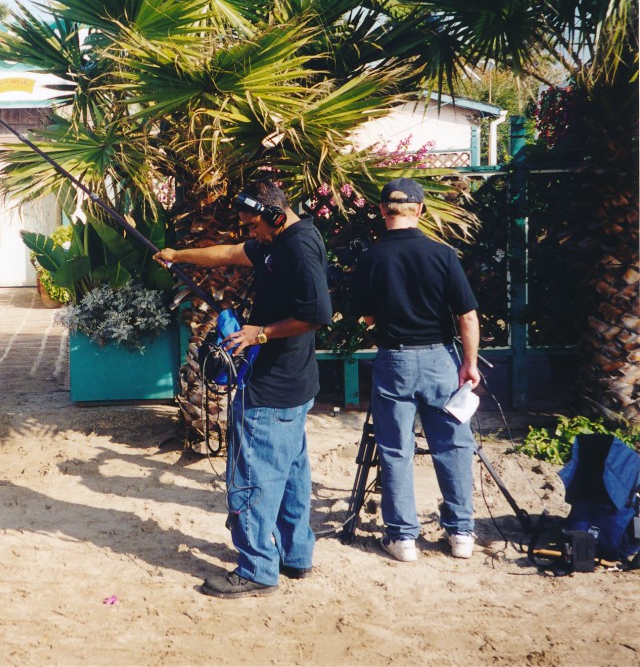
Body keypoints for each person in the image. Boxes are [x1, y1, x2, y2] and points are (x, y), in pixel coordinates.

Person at [155, 179, 331, 598]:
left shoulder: (297, 248)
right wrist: (178, 255)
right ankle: (295, 556)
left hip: (275, 385)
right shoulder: (276, 240)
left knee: (252, 475)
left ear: (274, 216)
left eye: (254, 226)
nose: (250, 234)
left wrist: (260, 334)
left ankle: (256, 570)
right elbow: (229, 253)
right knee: (290, 473)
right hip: (294, 384)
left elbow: (318, 313)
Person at [353, 178, 481, 562]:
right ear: (420, 210)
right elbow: (468, 316)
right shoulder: (442, 254)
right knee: (454, 445)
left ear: (381, 211)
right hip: (441, 359)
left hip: (394, 359)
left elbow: (366, 315)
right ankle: (461, 533)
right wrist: (469, 365)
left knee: (395, 449)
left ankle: (403, 538)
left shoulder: (370, 258)